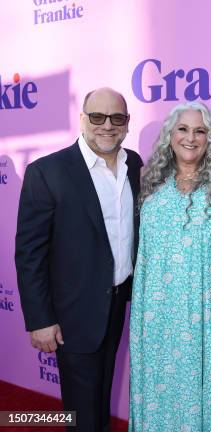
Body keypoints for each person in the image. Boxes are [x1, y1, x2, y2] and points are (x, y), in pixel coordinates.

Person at [15, 87, 142, 432]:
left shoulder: (135, 165)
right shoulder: (48, 171)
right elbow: (30, 253)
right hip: (72, 311)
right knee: (82, 406)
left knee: (100, 393)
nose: (107, 125)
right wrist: (40, 319)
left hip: (117, 301)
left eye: (116, 118)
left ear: (127, 123)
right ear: (83, 118)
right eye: (97, 117)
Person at [128, 102, 211, 431]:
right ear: (169, 135)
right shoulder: (150, 186)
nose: (191, 138)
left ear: (210, 138)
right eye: (183, 129)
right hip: (159, 320)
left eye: (200, 131)